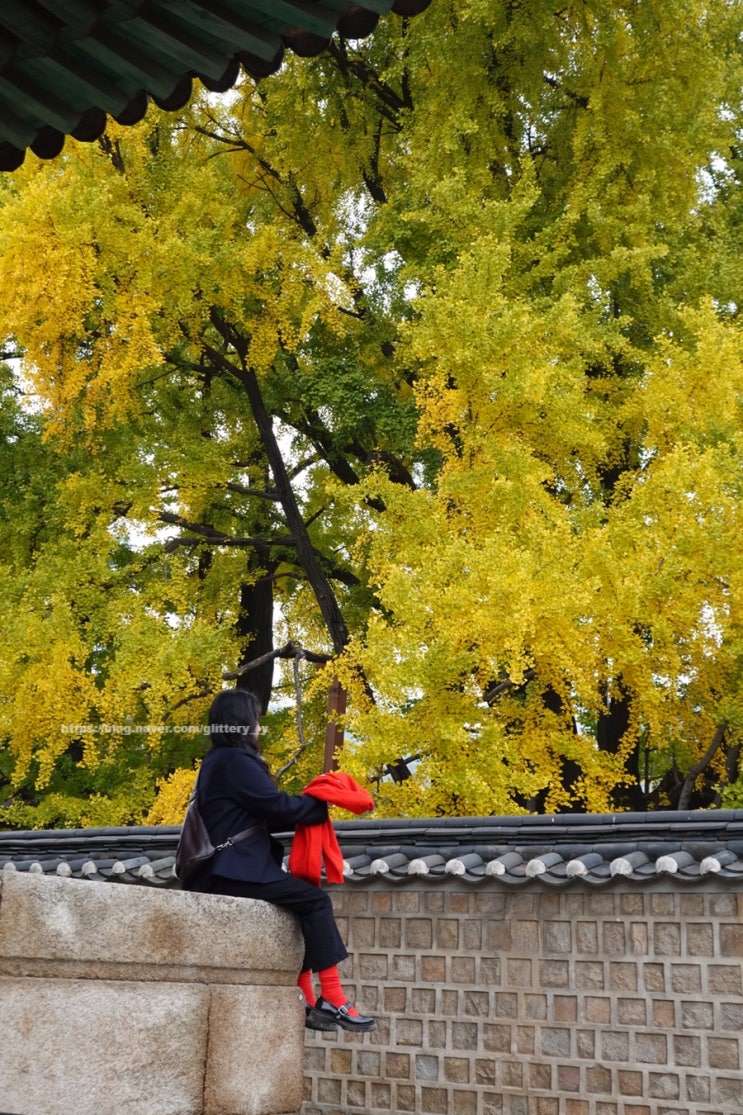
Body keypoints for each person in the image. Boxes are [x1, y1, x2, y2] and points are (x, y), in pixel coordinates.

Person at [183, 688, 375, 1033]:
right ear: (243, 722)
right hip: (232, 870)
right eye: (256, 719)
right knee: (315, 901)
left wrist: (309, 808)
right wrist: (320, 800)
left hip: (220, 869)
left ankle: (305, 998)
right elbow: (277, 807)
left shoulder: (216, 761)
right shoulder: (235, 761)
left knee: (298, 904)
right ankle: (333, 996)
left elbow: (264, 815)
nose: (259, 727)